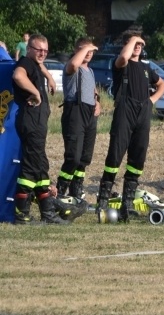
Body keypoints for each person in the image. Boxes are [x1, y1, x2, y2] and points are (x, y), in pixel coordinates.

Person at [97, 33, 164, 222]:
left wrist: (151, 101)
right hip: (124, 112)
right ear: (126, 45)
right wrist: (134, 39)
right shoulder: (121, 64)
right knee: (115, 155)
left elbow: (162, 84)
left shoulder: (146, 68)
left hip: (142, 113)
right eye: (133, 44)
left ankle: (126, 203)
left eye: (140, 44)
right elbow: (123, 57)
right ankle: (102, 200)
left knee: (138, 157)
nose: (137, 46)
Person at [11, 34, 67, 224]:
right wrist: (35, 92)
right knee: (30, 168)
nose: (42, 53)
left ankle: (48, 213)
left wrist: (49, 77)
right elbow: (18, 75)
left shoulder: (35, 63)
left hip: (38, 122)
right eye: (38, 50)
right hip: (31, 121)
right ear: (29, 49)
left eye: (45, 50)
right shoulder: (26, 62)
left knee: (41, 165)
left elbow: (39, 64)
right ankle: (21, 216)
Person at [56, 38, 102, 201]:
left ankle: (76, 190)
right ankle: (60, 189)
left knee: (84, 157)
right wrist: (87, 48)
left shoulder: (90, 70)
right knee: (73, 157)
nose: (89, 53)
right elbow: (74, 65)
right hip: (74, 112)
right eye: (85, 50)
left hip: (89, 115)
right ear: (77, 50)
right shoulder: (71, 66)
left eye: (91, 51)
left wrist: (97, 102)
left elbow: (93, 90)